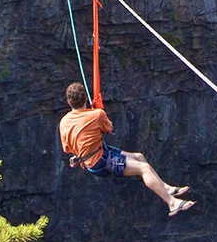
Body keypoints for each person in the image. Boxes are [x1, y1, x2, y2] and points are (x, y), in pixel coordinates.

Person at [59, 82, 196, 217]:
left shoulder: (64, 122)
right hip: (101, 161)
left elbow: (67, 148)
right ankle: (172, 203)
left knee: (139, 157)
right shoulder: (96, 115)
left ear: (69, 101)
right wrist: (97, 112)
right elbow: (109, 128)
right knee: (144, 168)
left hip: (95, 157)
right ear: (85, 99)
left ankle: (165, 188)